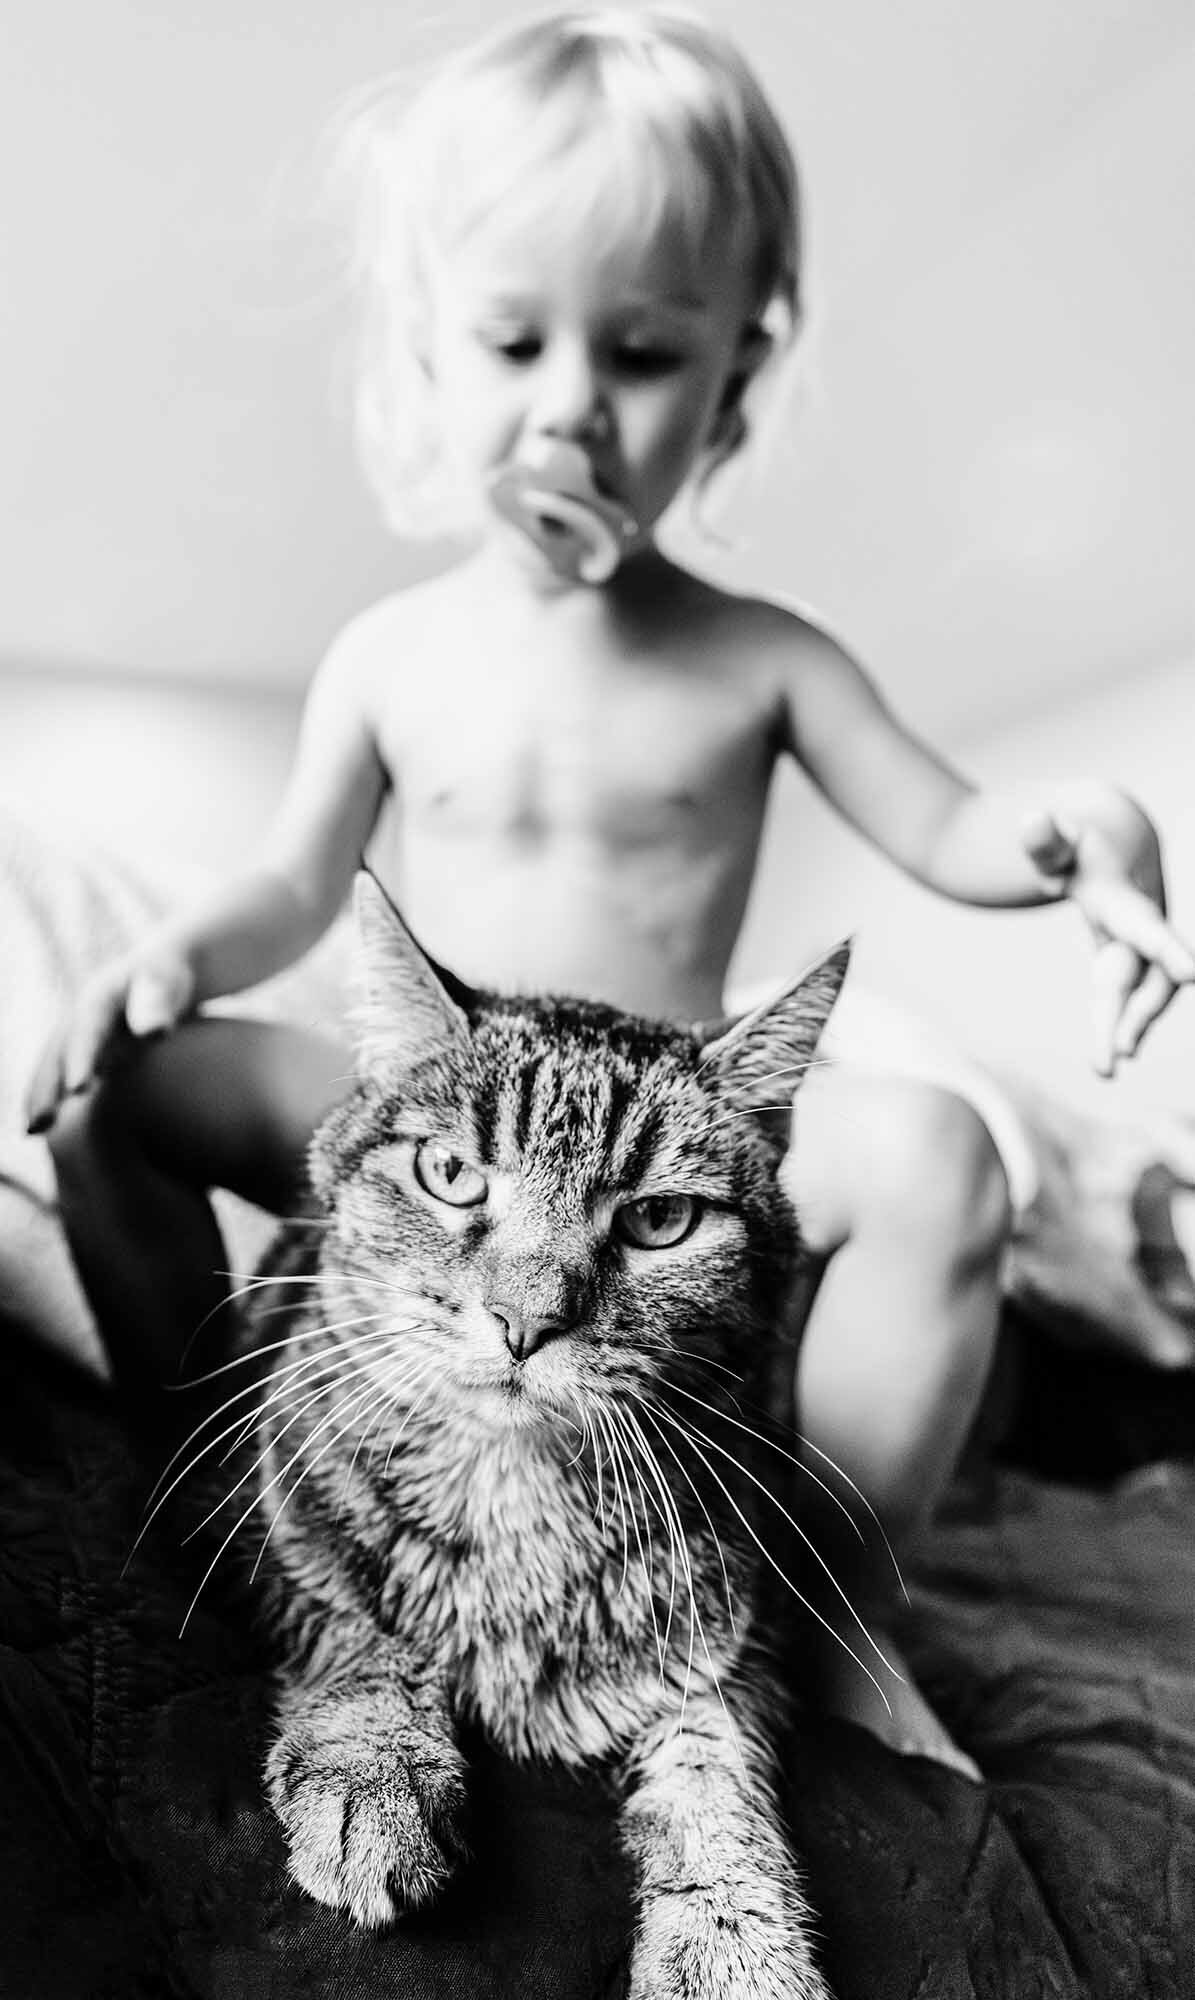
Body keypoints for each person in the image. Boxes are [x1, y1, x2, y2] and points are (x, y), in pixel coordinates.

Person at [25, 6, 1194, 1777]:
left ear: (731, 384)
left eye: (643, 351)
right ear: (429, 362)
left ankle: (841, 1605)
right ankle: (202, 1465)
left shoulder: (762, 660)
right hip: (434, 1105)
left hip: (658, 1141)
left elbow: (955, 831)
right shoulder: (392, 653)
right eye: (515, 340)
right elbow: (292, 882)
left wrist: (1079, 825)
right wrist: (181, 954)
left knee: (948, 1155)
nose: (572, 403)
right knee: (119, 1095)